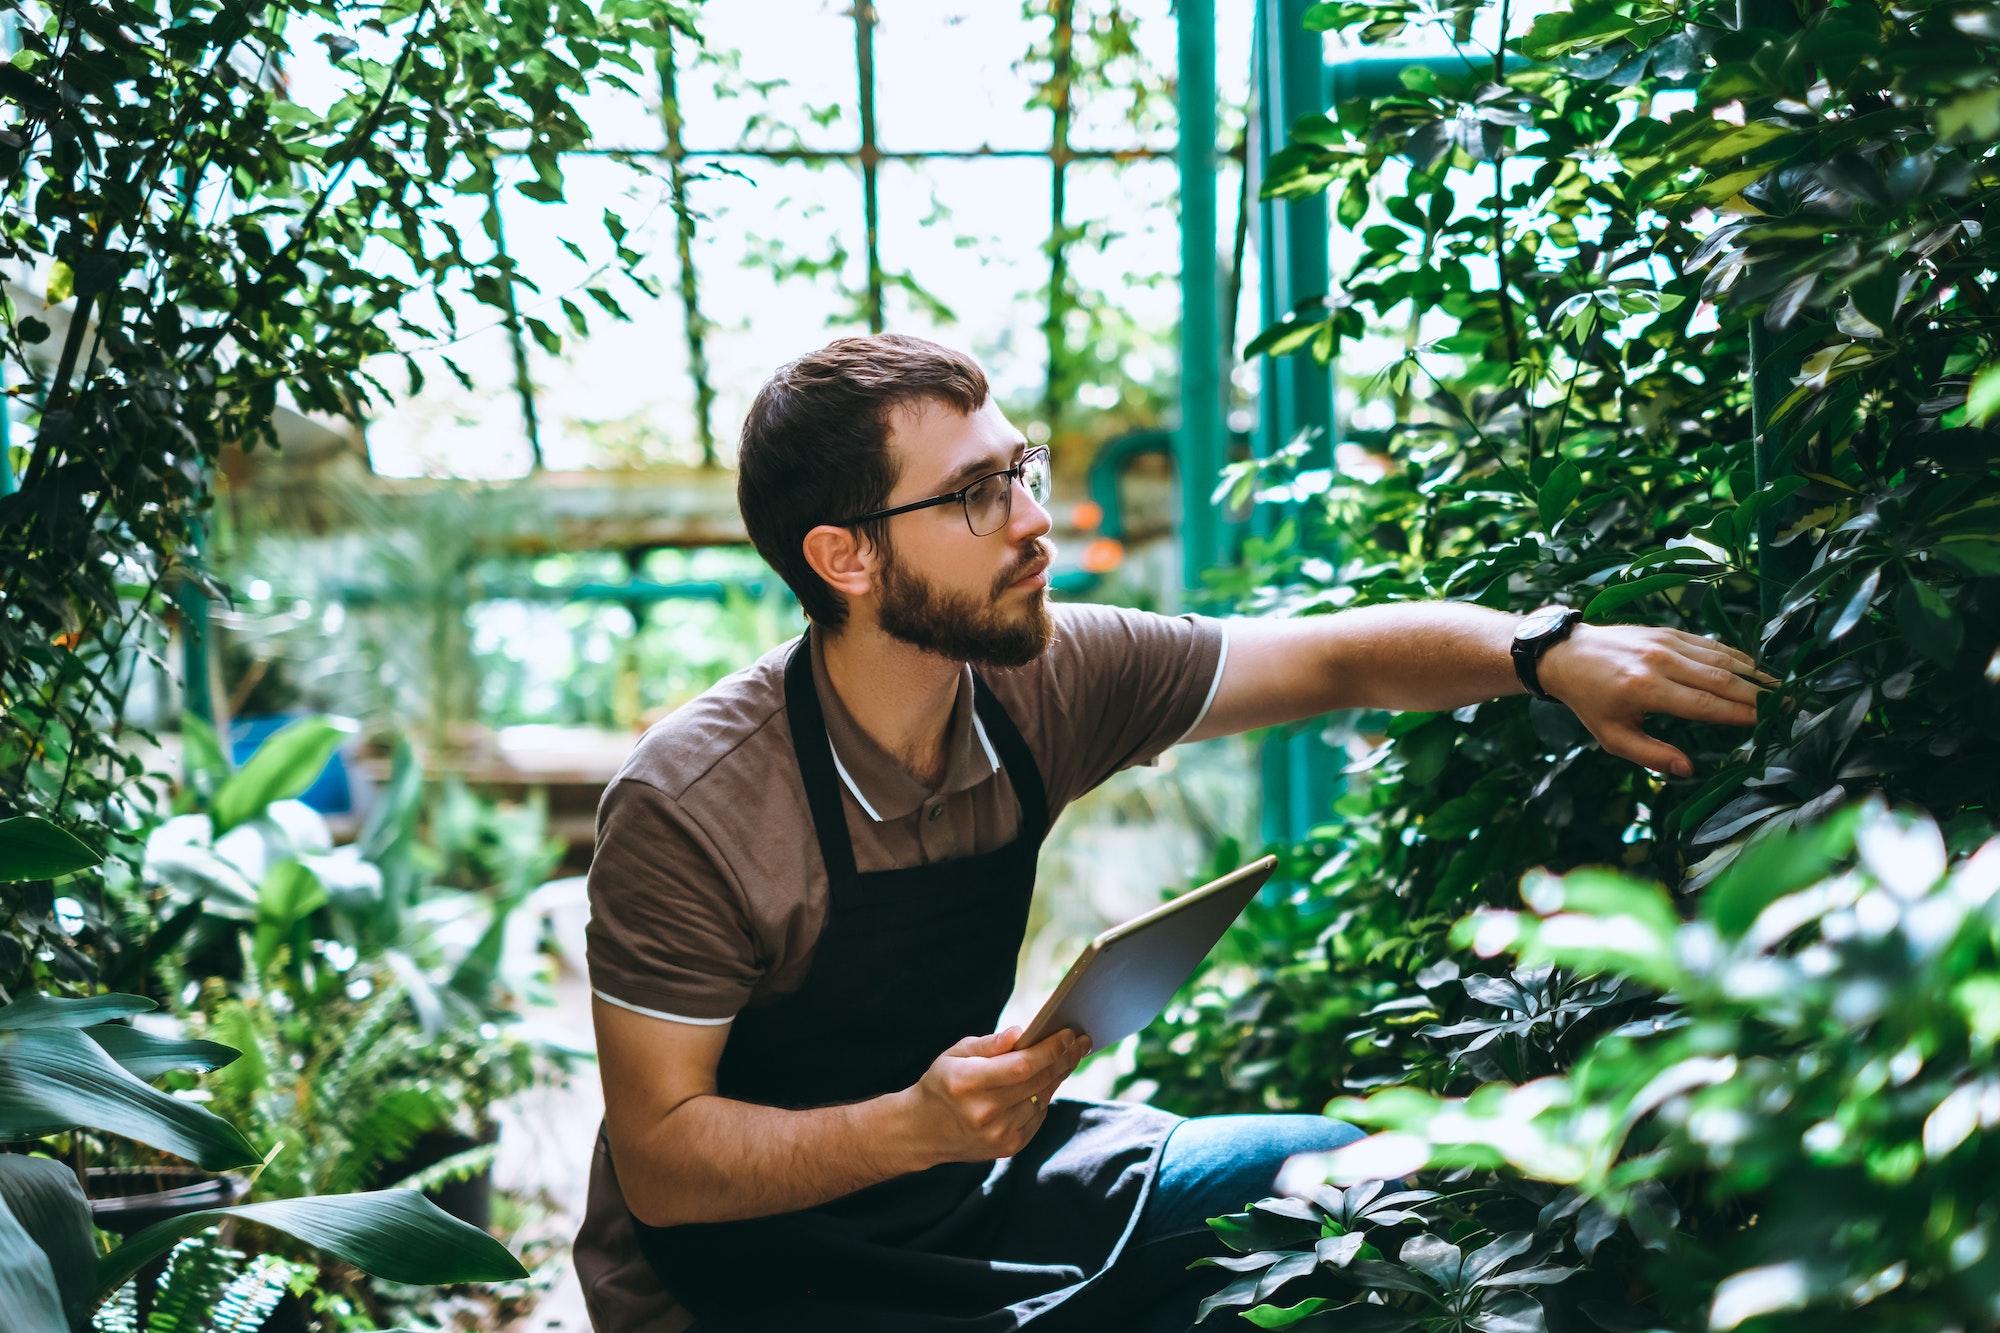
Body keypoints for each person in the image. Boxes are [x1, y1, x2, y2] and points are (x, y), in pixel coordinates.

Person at [573, 335, 1764, 1332]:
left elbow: (1336, 655)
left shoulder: (1044, 673)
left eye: (1020, 469)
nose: (1034, 520)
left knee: (1342, 1185)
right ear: (844, 557)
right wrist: (910, 1127)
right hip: (732, 1275)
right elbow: (667, 1165)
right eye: (977, 495)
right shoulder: (696, 804)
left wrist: (1544, 651)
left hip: (960, 1175)